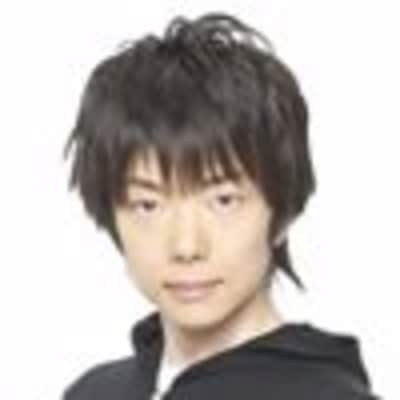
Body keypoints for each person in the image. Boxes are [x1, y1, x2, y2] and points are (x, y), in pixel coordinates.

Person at [61, 12, 381, 400]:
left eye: (223, 200)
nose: (186, 246)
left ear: (282, 213)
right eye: (148, 205)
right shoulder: (95, 392)